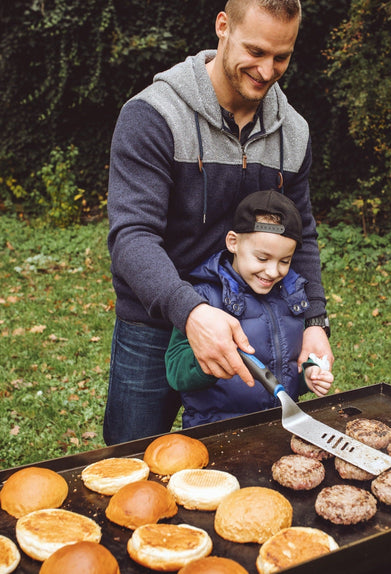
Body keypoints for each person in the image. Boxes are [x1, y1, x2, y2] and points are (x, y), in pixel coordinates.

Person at [104, 0, 334, 445]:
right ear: (223, 27)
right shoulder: (152, 116)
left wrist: (314, 324)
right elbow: (132, 236)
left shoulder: (294, 133)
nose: (267, 71)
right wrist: (189, 310)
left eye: (281, 57)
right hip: (153, 322)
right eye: (256, 51)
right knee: (130, 463)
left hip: (250, 320)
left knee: (246, 461)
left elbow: (300, 236)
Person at [165, 190, 333, 428]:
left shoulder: (293, 298)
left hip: (278, 425)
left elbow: (286, 364)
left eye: (284, 261)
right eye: (262, 259)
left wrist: (306, 377)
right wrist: (209, 364)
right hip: (215, 429)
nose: (273, 271)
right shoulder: (203, 299)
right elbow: (176, 371)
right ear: (233, 242)